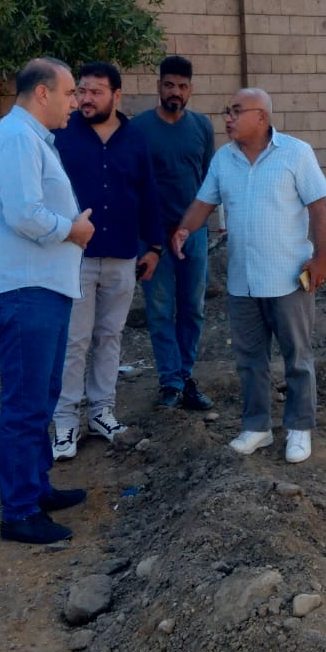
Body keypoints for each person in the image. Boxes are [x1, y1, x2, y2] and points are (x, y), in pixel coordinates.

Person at [171, 87, 326, 463]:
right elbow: (203, 203)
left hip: (288, 278)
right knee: (249, 359)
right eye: (226, 111)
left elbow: (318, 208)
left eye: (235, 111)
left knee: (297, 356)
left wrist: (321, 258)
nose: (227, 118)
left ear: (261, 117)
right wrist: (184, 229)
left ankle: (299, 428)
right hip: (242, 281)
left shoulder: (296, 153)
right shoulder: (223, 159)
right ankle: (257, 427)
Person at [0, 58, 95, 545]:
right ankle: (20, 512)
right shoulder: (17, 138)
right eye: (69, 93)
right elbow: (24, 213)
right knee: (26, 405)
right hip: (25, 291)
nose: (76, 103)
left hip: (41, 289)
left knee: (41, 397)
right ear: (42, 93)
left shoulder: (31, 138)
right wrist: (73, 229)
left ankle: (35, 487)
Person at [51, 61, 162, 460]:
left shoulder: (135, 139)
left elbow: (148, 193)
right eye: (81, 90)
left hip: (122, 257)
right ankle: (65, 422)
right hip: (74, 258)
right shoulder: (62, 135)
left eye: (95, 92)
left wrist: (154, 247)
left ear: (117, 95)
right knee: (74, 341)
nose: (85, 98)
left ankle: (101, 412)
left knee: (110, 337)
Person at [130, 55, 216, 411]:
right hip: (153, 238)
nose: (175, 92)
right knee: (160, 310)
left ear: (190, 89)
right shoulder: (138, 128)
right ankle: (170, 382)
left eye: (182, 86)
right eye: (169, 85)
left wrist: (193, 225)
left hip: (194, 234)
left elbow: (209, 182)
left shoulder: (202, 127)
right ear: (159, 87)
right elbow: (133, 184)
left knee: (193, 309)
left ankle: (186, 376)